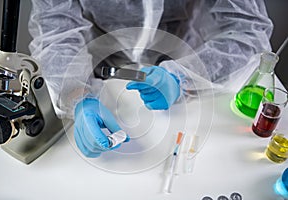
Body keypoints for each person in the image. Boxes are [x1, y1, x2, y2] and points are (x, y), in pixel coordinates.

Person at [28, 0, 273, 157]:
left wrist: (183, 77)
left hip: (187, 59)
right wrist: (77, 95)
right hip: (95, 65)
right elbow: (55, 30)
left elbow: (247, 30)